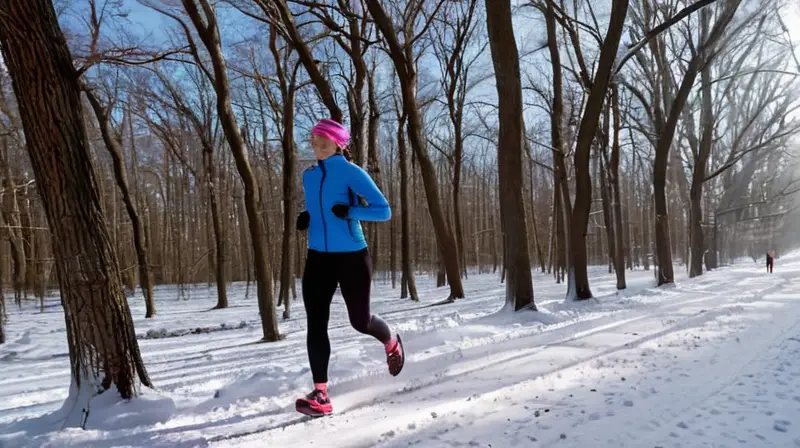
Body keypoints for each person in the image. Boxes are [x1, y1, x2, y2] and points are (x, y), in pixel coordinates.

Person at [294, 119, 405, 417]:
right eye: (314, 144)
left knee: (360, 321)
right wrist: (306, 218)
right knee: (316, 324)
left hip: (352, 257)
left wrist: (351, 211)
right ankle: (321, 394)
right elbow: (318, 209)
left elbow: (383, 210)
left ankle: (391, 341)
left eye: (323, 144)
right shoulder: (310, 177)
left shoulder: (352, 172)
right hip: (318, 257)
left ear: (339, 144)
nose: (317, 149)